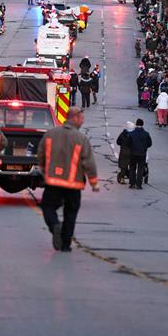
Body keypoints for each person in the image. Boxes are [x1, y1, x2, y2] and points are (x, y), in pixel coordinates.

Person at [37, 107, 98, 251]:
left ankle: (54, 225)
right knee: (71, 212)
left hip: (53, 181)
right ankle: (65, 244)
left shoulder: (51, 134)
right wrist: (94, 183)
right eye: (82, 118)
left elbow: (41, 153)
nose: (83, 121)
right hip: (74, 183)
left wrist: (45, 170)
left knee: (48, 207)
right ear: (75, 118)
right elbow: (88, 162)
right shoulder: (81, 138)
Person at [127, 119, 152, 189]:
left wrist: (131, 148)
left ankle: (132, 183)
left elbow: (128, 144)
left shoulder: (131, 134)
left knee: (132, 168)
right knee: (140, 169)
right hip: (142, 154)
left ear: (136, 124)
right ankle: (138, 184)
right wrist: (144, 147)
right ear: (142, 124)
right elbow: (150, 144)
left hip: (133, 153)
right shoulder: (146, 134)